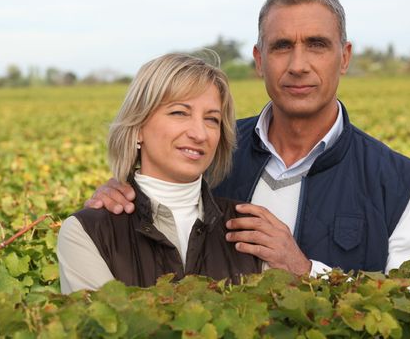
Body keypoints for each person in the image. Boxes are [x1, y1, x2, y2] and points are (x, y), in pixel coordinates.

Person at [85, 0, 410, 276]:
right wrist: (118, 200)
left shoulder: (397, 183)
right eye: (282, 46)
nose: (298, 65)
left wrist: (306, 271)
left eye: (317, 45)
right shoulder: (208, 150)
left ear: (345, 57)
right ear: (260, 61)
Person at [57, 53, 261, 294]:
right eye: (179, 113)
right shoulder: (86, 232)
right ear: (138, 127)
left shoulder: (249, 228)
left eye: (212, 119)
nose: (199, 133)